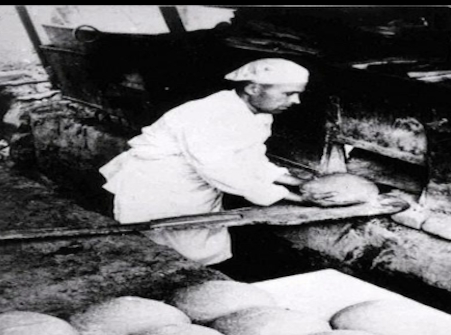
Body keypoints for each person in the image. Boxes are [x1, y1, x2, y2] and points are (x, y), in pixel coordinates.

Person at [99, 58, 314, 266]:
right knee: (164, 255)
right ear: (253, 88)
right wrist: (295, 197)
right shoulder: (210, 115)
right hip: (160, 189)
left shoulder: (258, 114)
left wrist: (299, 183)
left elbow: (250, 159)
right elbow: (223, 173)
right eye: (288, 93)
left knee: (201, 249)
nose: (296, 101)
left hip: (196, 186)